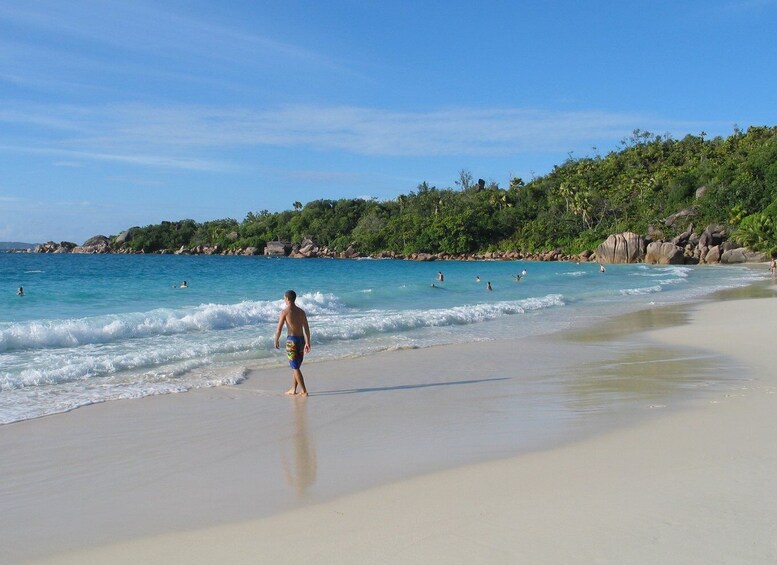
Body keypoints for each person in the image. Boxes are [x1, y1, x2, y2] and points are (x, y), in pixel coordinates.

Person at [274, 289, 311, 396]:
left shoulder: (284, 312)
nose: (284, 300)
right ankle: (293, 389)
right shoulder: (301, 312)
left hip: (292, 341)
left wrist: (276, 340)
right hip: (301, 341)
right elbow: (307, 329)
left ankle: (304, 390)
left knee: (295, 367)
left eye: (284, 298)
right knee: (296, 366)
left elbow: (279, 329)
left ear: (287, 299)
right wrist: (308, 342)